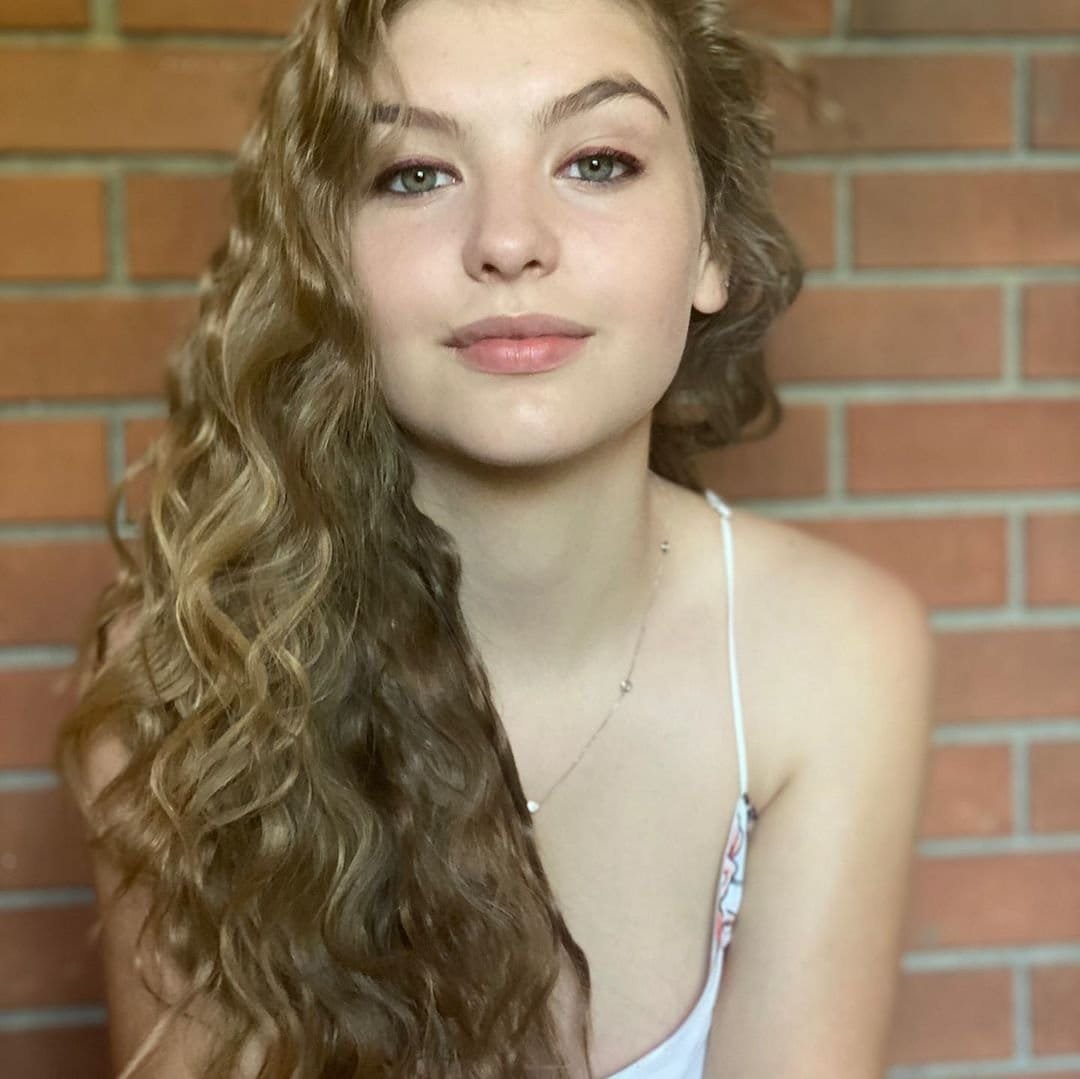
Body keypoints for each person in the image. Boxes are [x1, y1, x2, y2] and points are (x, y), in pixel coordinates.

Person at [55, 0, 937, 1076]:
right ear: (326, 260)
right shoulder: (184, 674)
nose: (509, 241)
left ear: (711, 245)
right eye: (415, 174)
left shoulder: (834, 650)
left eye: (599, 162)